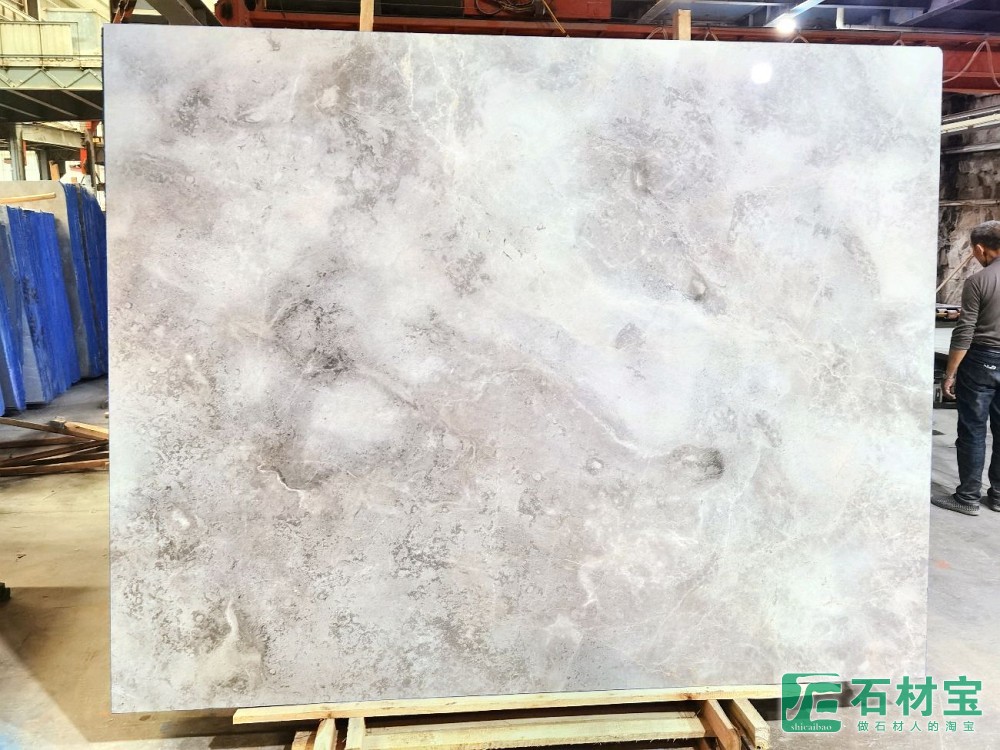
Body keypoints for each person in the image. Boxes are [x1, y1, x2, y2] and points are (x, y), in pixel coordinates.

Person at [938, 220, 1000, 515]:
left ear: (979, 248)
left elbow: (964, 332)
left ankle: (967, 498)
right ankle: (998, 496)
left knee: (973, 430)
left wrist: (950, 373)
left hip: (982, 361)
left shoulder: (978, 281)